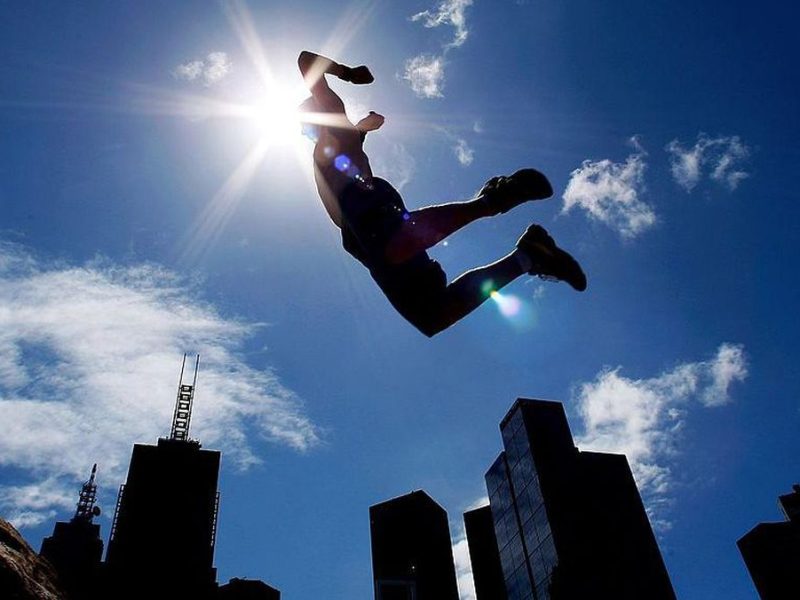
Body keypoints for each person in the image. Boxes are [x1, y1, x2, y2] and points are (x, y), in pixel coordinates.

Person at [297, 50, 586, 337]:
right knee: (431, 315)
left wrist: (348, 73)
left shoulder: (333, 123)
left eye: (305, 124)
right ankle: (528, 257)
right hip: (359, 236)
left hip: (364, 206)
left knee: (391, 248)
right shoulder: (337, 142)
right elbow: (351, 139)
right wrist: (366, 126)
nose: (305, 132)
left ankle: (492, 201)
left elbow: (306, 61)